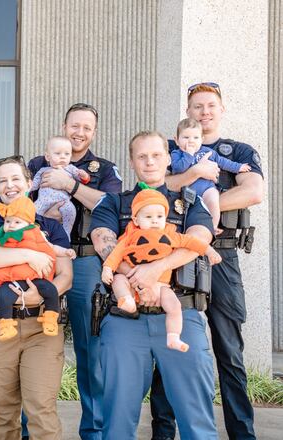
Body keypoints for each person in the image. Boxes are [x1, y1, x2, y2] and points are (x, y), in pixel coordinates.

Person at [90, 130, 218, 439]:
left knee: (196, 418)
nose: (150, 162)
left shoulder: (188, 203)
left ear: (168, 158)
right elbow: (102, 242)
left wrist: (156, 269)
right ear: (132, 161)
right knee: (118, 419)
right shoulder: (114, 203)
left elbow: (201, 239)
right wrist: (138, 277)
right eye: (142, 156)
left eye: (156, 155)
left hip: (179, 314)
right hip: (126, 319)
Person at [164, 82, 264, 440]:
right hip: (176, 254)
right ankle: (163, 432)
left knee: (229, 350)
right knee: (170, 344)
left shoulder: (237, 150)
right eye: (196, 106)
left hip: (221, 254)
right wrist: (192, 180)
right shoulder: (170, 149)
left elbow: (253, 191)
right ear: (188, 112)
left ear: (221, 109)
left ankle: (242, 433)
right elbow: (158, 188)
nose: (204, 112)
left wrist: (208, 204)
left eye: (210, 105)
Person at [27, 102, 122, 439]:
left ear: (94, 132)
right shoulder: (39, 163)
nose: (80, 133)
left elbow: (111, 205)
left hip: (83, 261)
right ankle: (31, 430)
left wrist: (71, 187)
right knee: (31, 340)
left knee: (89, 346)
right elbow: (19, 201)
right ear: (64, 126)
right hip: (39, 256)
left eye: (87, 128)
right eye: (74, 126)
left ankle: (93, 430)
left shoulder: (104, 169)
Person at [0, 155, 73, 440]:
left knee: (41, 408)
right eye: (3, 180)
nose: (10, 185)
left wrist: (39, 292)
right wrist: (30, 254)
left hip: (42, 325)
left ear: (29, 183)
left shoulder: (50, 227)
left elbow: (65, 275)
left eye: (16, 178)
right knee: (2, 411)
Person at [101, 189, 222, 352]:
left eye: (159, 216)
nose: (154, 221)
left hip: (161, 285)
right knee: (118, 280)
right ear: (136, 219)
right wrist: (108, 268)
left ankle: (173, 337)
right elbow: (116, 253)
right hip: (132, 282)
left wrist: (209, 251)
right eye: (148, 217)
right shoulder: (130, 236)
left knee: (174, 306)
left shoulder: (170, 234)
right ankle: (127, 301)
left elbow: (192, 242)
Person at [0, 195, 75, 340]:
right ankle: (5, 324)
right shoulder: (5, 235)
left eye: (17, 222)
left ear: (28, 223)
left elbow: (52, 248)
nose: (11, 225)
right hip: (13, 280)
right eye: (8, 221)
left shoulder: (38, 233)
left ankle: (50, 316)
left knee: (50, 290)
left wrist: (66, 252)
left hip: (36, 279)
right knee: (4, 296)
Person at [29, 136, 91, 237]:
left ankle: (66, 234)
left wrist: (84, 175)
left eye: (67, 154)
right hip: (43, 200)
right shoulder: (43, 170)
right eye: (58, 153)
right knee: (33, 212)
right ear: (48, 157)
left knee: (71, 211)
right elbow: (34, 185)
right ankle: (33, 234)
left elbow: (82, 180)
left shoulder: (70, 169)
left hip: (63, 201)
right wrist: (27, 188)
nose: (63, 157)